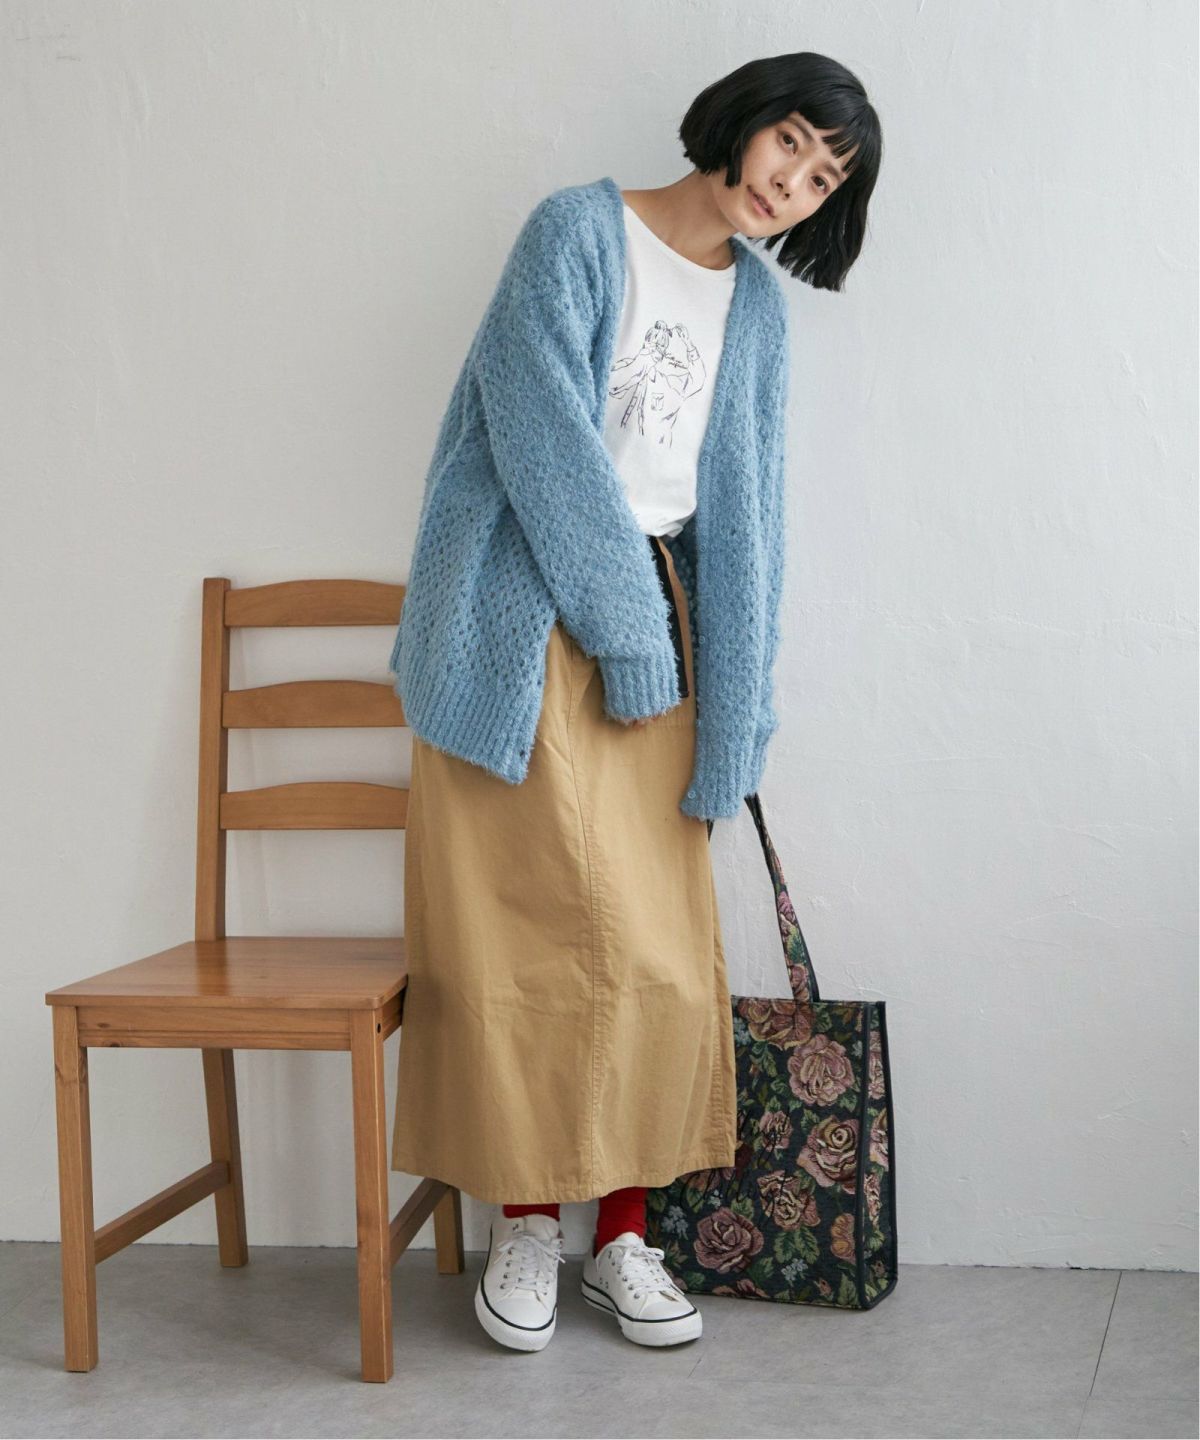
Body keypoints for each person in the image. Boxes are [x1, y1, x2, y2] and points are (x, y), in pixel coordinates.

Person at [386, 51, 881, 1353]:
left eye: (823, 178)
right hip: (518, 619)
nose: (793, 182)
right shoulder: (576, 231)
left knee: (655, 949)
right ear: (743, 121)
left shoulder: (757, 309)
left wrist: (738, 715)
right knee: (514, 941)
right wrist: (625, 630)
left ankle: (622, 1233)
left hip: (662, 629)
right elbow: (540, 443)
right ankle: (527, 1221)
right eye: (791, 142)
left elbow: (749, 516)